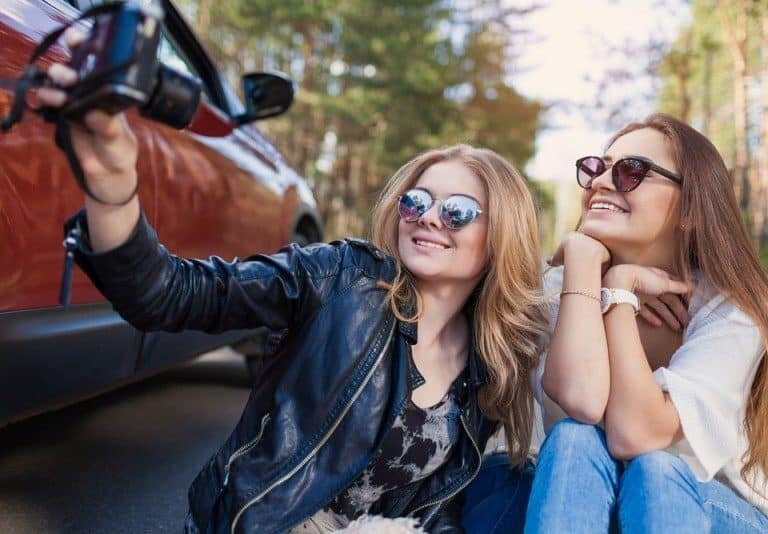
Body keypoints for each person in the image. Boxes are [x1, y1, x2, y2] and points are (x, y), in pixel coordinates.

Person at [36, 30, 549, 533]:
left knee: (525, 482)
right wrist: (112, 188)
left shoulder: (486, 367)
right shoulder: (342, 278)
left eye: (458, 211)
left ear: (500, 238)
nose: (429, 217)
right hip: (267, 525)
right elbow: (167, 294)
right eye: (416, 200)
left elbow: (435, 510)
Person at [462, 113, 768, 534]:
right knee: (573, 436)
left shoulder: (729, 311)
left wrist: (619, 294)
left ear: (691, 209)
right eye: (597, 167)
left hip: (712, 511)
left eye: (631, 171)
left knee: (656, 470)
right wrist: (591, 270)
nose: (601, 181)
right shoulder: (558, 288)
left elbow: (635, 435)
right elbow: (580, 400)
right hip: (587, 497)